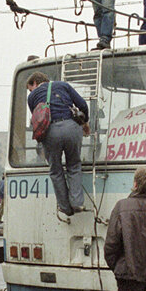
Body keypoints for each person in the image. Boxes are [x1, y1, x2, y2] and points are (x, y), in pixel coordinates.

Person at [25, 73, 90, 216]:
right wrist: (85, 123)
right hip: (72, 128)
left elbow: (38, 118)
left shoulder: (32, 97)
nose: (31, 92)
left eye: (30, 88)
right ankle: (77, 203)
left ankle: (65, 207)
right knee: (74, 165)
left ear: (35, 83)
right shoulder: (63, 85)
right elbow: (83, 105)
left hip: (50, 132)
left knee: (56, 170)